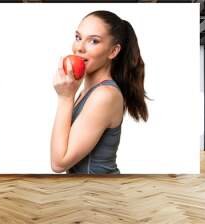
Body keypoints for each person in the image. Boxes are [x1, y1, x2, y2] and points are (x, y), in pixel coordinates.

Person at [51, 10, 149, 174]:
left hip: (99, 194)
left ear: (113, 51)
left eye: (93, 41)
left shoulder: (105, 95)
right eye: (78, 37)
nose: (79, 48)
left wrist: (65, 97)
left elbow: (59, 163)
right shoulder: (87, 90)